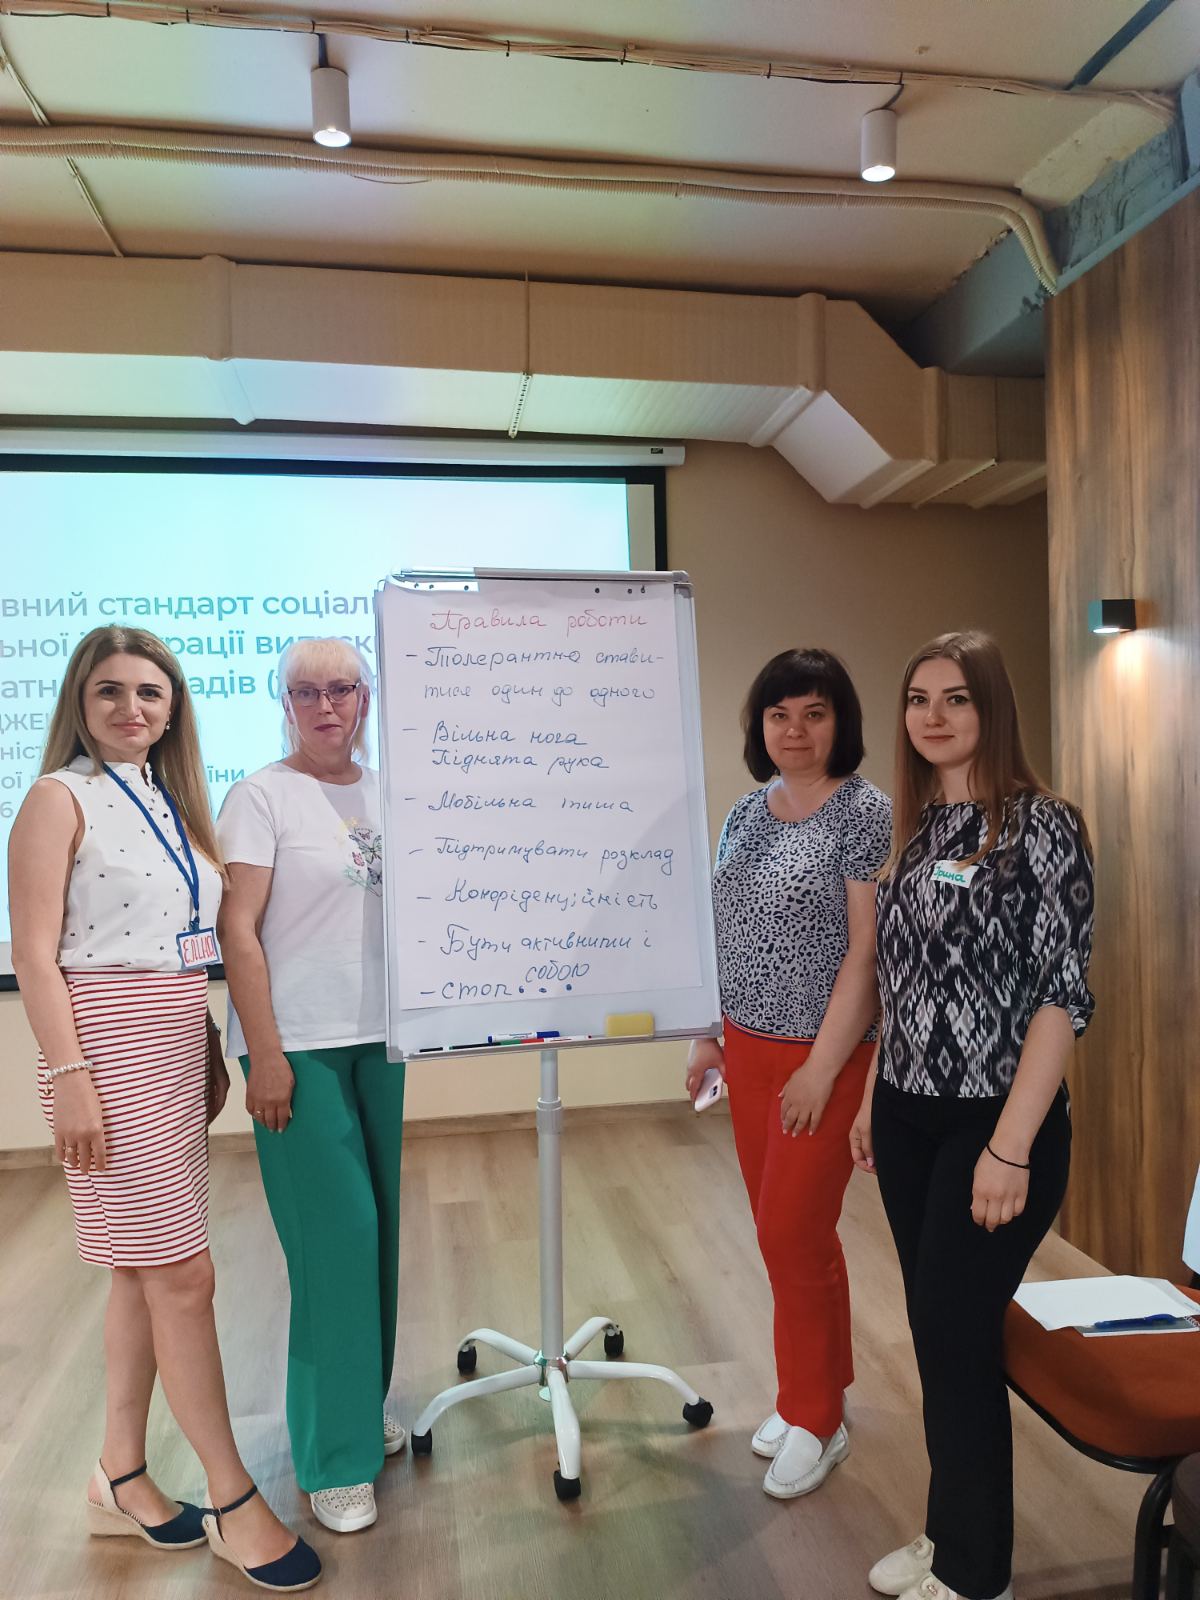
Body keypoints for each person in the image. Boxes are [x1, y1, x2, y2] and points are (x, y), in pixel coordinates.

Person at [7, 625, 320, 1592]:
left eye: (149, 691)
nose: (131, 707)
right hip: (103, 1049)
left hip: (175, 1042)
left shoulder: (169, 799)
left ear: (173, 707)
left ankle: (120, 1477)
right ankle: (231, 1496)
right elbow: (36, 954)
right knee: (183, 1274)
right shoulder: (57, 798)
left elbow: (187, 939)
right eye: (110, 690)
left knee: (142, 1273)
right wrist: (69, 1077)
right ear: (80, 700)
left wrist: (209, 1044)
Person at [852, 630, 1094, 1600]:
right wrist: (872, 1096)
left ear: (992, 707)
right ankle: (950, 1528)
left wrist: (1011, 1146)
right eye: (919, 699)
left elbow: (1061, 996)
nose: (934, 716)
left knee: (957, 1331)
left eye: (956, 697)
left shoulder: (1043, 825)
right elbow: (897, 981)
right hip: (908, 1115)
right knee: (937, 1331)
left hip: (995, 1123)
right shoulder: (913, 828)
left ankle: (973, 1571)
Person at [686, 647, 891, 1499]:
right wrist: (707, 1036)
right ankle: (816, 1389)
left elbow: (867, 953)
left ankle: (815, 1417)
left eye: (814, 713)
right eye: (780, 715)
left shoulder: (864, 812)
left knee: (790, 1233)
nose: (796, 731)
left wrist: (821, 1069)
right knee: (788, 1234)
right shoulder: (746, 810)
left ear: (841, 721)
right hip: (747, 1048)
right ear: (759, 726)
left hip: (825, 1058)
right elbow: (721, 929)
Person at [217, 637, 404, 1536]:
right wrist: (266, 1053)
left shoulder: (389, 791)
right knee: (336, 1246)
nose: (325, 706)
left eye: (341, 689)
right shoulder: (260, 797)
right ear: (283, 702)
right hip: (297, 1047)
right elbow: (238, 931)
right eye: (304, 692)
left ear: (365, 697)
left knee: (379, 1236)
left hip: (380, 1040)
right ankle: (332, 1458)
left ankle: (357, 1409)